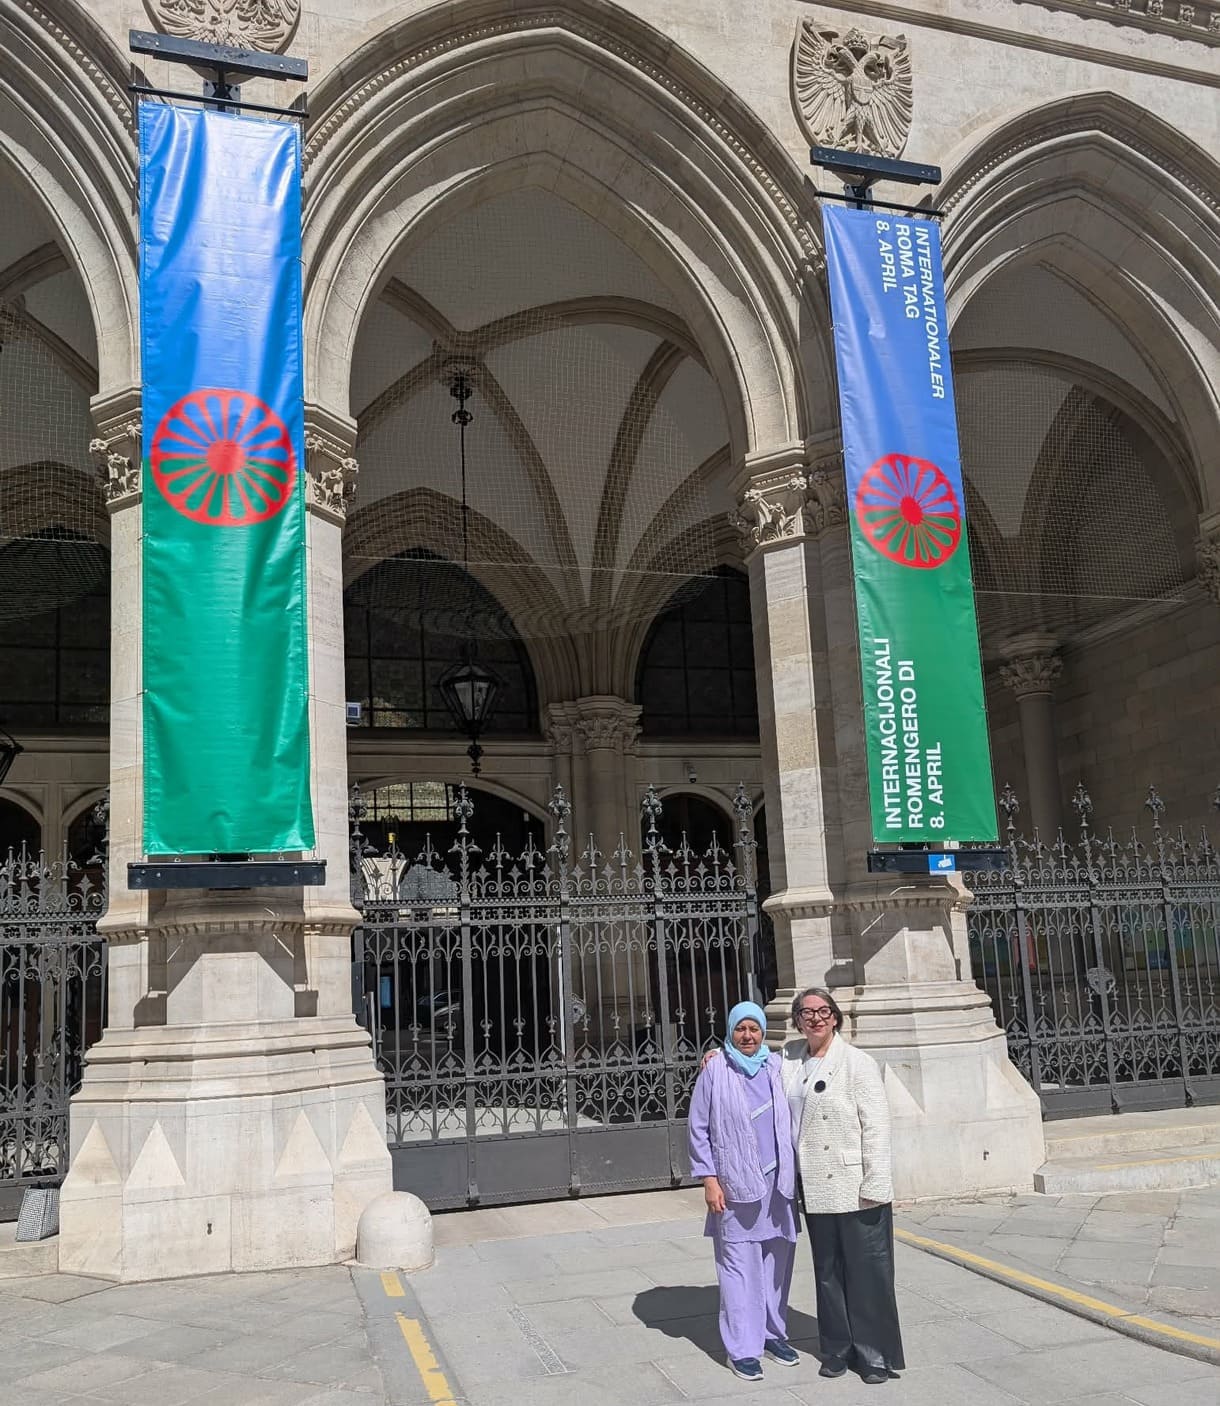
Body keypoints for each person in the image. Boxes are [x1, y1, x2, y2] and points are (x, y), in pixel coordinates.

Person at [785, 986, 904, 1385]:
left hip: (856, 1184)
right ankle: (836, 1348)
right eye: (806, 1012)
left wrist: (877, 1180)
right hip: (815, 1184)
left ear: (835, 1017)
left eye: (822, 1011)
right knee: (827, 1272)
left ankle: (873, 1354)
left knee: (868, 1272)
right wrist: (715, 1057)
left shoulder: (857, 1062)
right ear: (797, 1021)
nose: (815, 1018)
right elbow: (746, 1059)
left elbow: (877, 1125)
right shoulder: (788, 1060)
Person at [688, 1000, 800, 1382]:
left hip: (778, 1188)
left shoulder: (778, 1065)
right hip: (735, 1186)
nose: (748, 1036)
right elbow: (698, 1128)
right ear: (731, 1031)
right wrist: (709, 1179)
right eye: (741, 1029)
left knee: (776, 1266)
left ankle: (772, 1334)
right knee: (737, 1269)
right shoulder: (715, 1069)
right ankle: (742, 1348)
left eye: (754, 1029)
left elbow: (814, 1053)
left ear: (763, 1031)